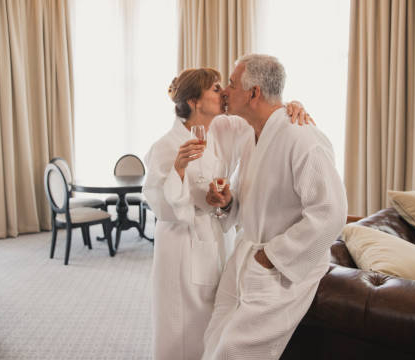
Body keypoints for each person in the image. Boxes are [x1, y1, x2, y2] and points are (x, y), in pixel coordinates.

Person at [143, 67, 312, 360]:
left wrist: (289, 107)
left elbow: (260, 119)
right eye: (215, 88)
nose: (223, 92)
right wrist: (179, 170)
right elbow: (159, 204)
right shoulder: (164, 147)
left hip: (214, 239)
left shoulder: (222, 129)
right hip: (180, 245)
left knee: (211, 318)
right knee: (179, 321)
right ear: (195, 102)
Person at [202, 54, 347, 359]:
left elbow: (331, 212)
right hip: (246, 253)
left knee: (233, 350)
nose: (225, 91)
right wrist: (229, 203)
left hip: (280, 266)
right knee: (214, 335)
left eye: (231, 83)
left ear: (253, 93)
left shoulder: (302, 136)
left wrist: (272, 255)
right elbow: (253, 200)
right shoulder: (250, 135)